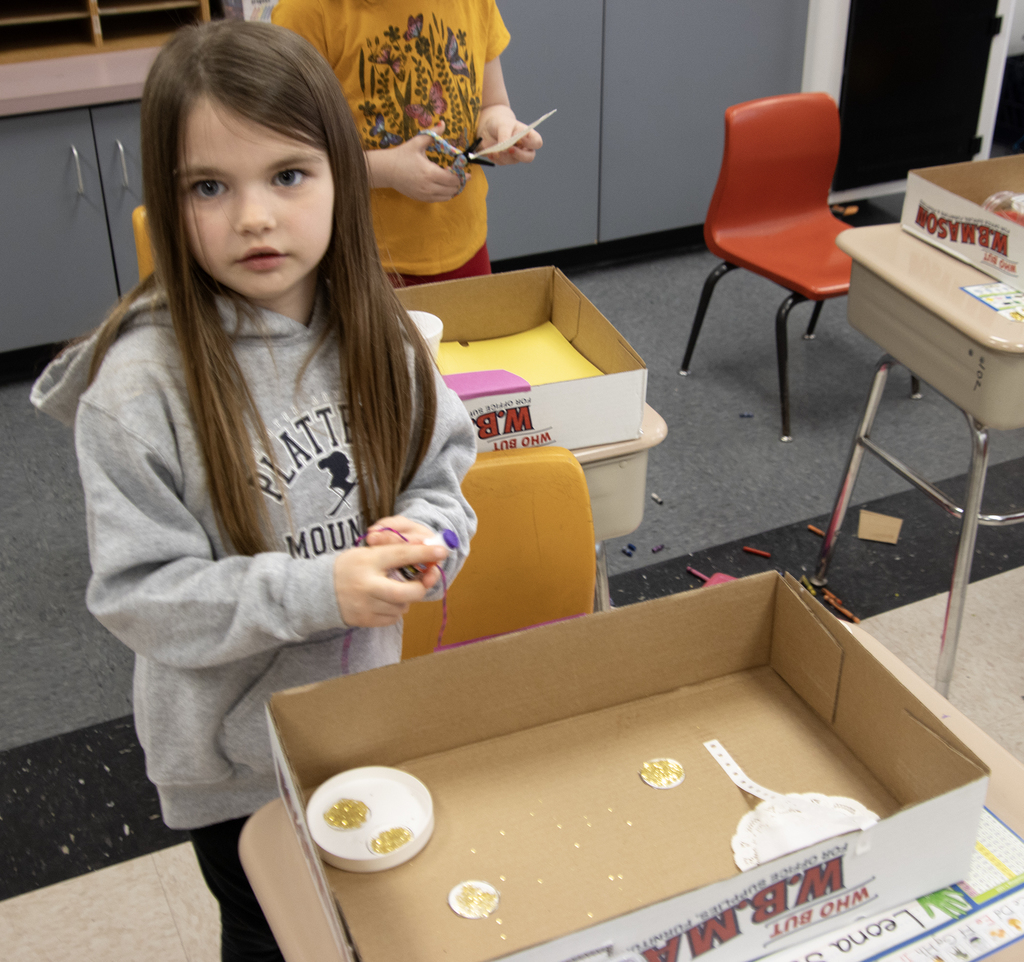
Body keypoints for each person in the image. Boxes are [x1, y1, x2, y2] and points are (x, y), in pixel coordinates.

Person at [30, 19, 477, 962]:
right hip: (231, 763)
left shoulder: (382, 334)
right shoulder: (140, 390)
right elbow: (139, 596)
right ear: (169, 194)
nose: (255, 218)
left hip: (358, 718)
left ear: (341, 177)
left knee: (368, 922)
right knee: (274, 933)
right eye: (209, 187)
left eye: (288, 175)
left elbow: (443, 474)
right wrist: (319, 591)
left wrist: (431, 532)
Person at [271, 0, 543, 284]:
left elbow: (492, 103)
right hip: (363, 260)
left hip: (466, 243)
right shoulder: (306, 11)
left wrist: (497, 129)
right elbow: (290, 157)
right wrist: (387, 169)